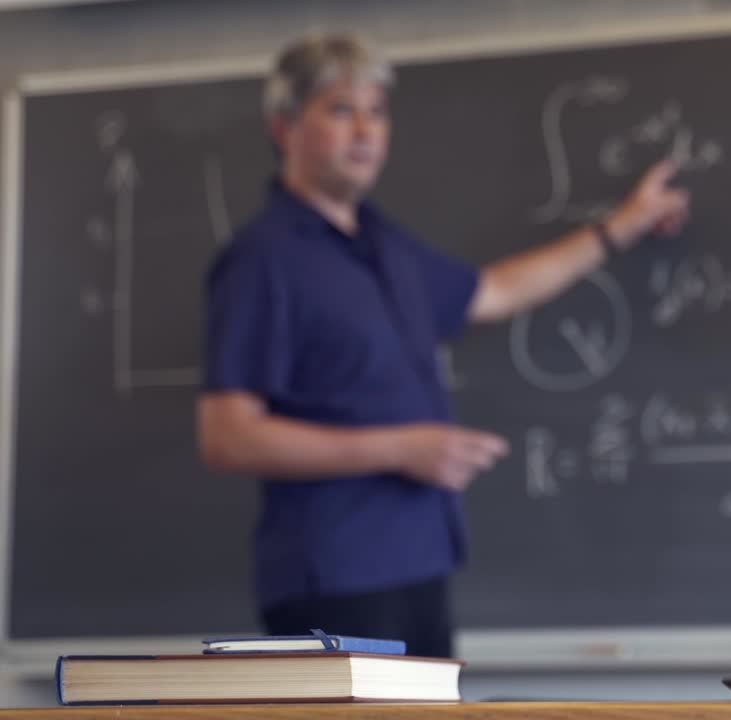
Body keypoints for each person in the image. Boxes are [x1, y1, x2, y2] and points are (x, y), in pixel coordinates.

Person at [196, 32, 689, 658]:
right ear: (284, 127)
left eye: (377, 112)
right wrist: (400, 447)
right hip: (334, 577)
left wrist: (619, 229)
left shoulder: (386, 246)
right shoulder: (262, 260)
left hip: (421, 563)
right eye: (341, 110)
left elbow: (494, 292)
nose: (365, 132)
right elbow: (228, 436)